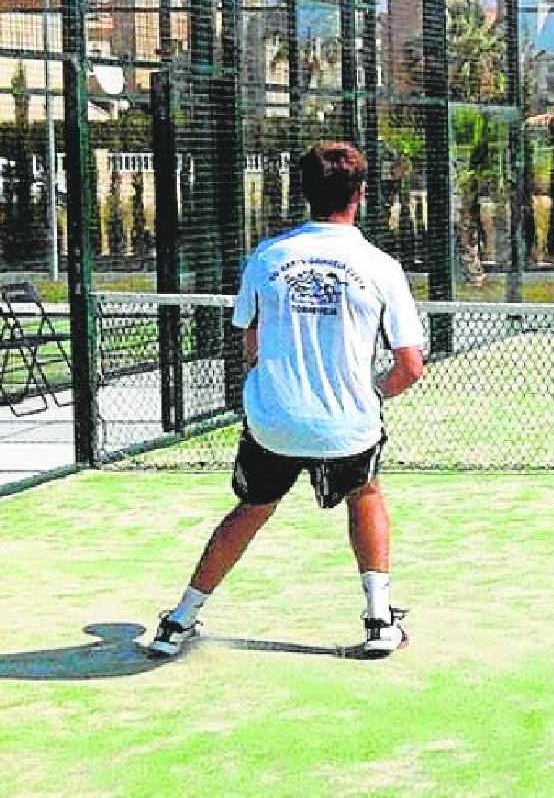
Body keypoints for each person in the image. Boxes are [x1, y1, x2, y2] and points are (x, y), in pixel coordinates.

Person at [148, 141, 428, 659]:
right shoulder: (381, 266)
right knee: (365, 494)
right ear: (361, 195)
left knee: (251, 509)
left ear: (305, 194)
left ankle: (179, 621)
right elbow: (411, 367)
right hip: (348, 425)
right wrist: (370, 398)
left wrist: (281, 389)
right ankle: (379, 621)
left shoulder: (268, 256)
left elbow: (250, 343)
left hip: (271, 421)